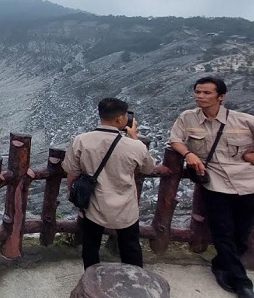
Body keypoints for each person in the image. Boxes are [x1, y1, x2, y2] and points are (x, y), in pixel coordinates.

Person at [169, 76, 254, 298]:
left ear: (221, 96)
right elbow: (175, 140)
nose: (200, 96)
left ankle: (221, 264)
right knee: (222, 229)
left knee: (242, 231)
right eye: (197, 92)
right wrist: (188, 153)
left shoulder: (244, 121)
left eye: (207, 93)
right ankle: (242, 281)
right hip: (215, 181)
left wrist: (250, 155)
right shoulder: (187, 118)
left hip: (247, 181)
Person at [63, 97, 157, 269]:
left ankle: (91, 277)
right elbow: (148, 168)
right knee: (130, 246)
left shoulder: (81, 140)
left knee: (91, 246)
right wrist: (134, 137)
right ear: (120, 118)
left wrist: (74, 196)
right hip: (125, 207)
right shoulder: (135, 146)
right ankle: (135, 279)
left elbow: (72, 173)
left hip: (94, 205)